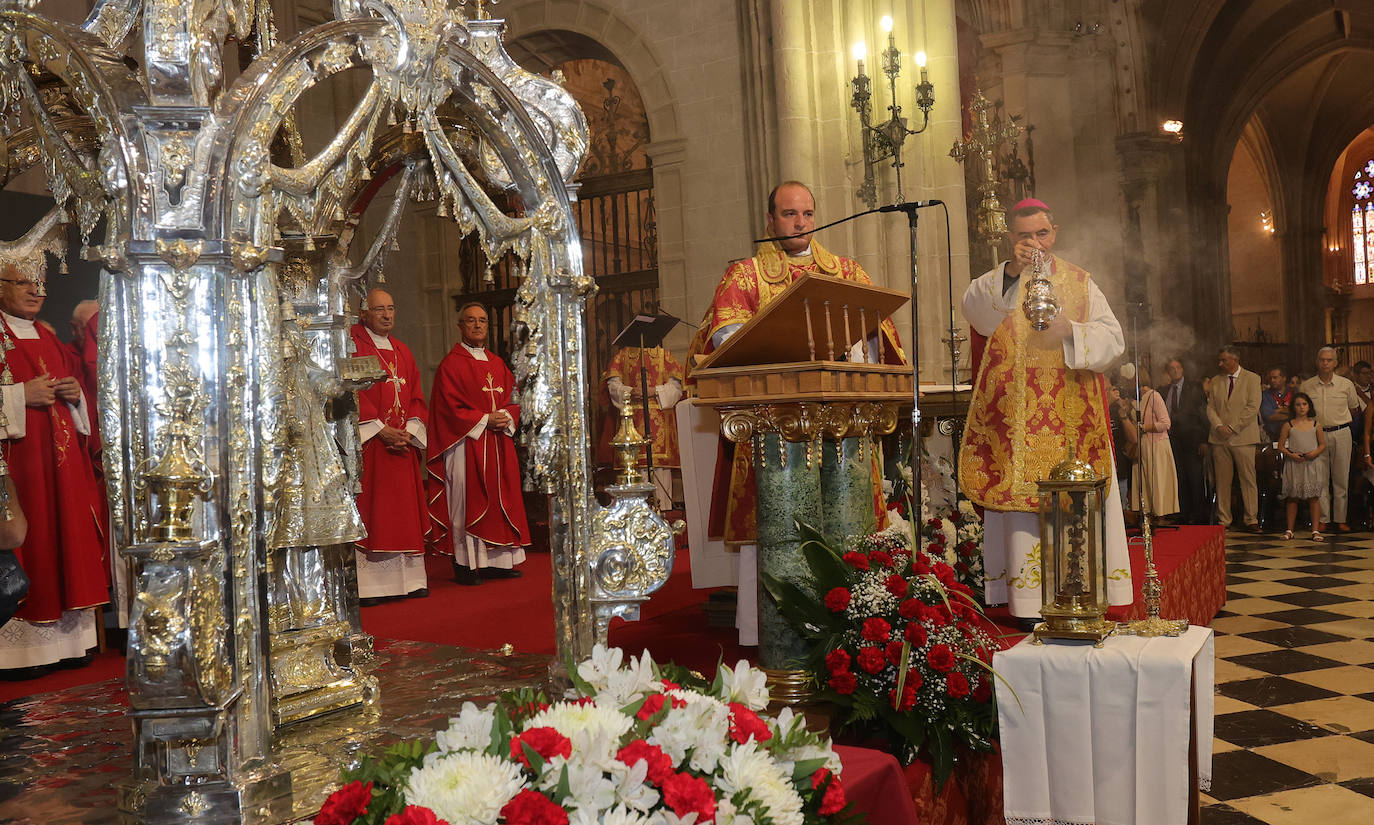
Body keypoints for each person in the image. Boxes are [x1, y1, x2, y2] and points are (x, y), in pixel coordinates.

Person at [685, 180, 904, 546]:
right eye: (790, 214)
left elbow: (877, 339)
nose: (801, 223)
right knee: (780, 534)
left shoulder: (847, 273)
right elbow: (727, 340)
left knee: (849, 525)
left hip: (842, 418)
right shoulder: (746, 275)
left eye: (807, 214)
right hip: (773, 421)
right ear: (771, 220)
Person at [958, 198, 1132, 624]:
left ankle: (1082, 596)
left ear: (1053, 233)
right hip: (1018, 426)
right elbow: (976, 313)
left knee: (1075, 504)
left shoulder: (1080, 282)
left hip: (1072, 421)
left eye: (1040, 234)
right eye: (1022, 236)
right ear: (1011, 239)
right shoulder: (1000, 282)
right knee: (1022, 508)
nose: (1032, 243)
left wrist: (1070, 330)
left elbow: (1114, 340)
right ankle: (1027, 604)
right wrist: (1013, 275)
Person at [0, 268, 109, 672]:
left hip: (60, 471)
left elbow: (78, 393)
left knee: (61, 539)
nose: (36, 291)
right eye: (24, 283)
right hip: (19, 471)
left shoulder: (46, 336)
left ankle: (67, 644)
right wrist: (18, 395)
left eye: (40, 284)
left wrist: (74, 394)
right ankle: (20, 652)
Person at [426, 302, 530, 586]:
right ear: (460, 326)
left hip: (498, 443)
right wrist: (485, 419)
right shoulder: (451, 364)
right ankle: (465, 564)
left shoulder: (498, 364)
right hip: (466, 444)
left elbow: (515, 399)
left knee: (501, 499)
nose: (478, 325)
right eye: (470, 321)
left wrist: (506, 415)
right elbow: (447, 408)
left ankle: (497, 562)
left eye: (482, 320)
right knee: (466, 501)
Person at [350, 288, 429, 601]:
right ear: (364, 313)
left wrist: (408, 431)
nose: (386, 315)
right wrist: (380, 430)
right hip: (374, 446)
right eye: (379, 309)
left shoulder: (402, 350)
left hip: (401, 446)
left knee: (404, 514)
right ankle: (374, 588)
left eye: (391, 308)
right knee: (377, 513)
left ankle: (410, 582)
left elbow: (417, 397)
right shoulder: (355, 346)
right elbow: (352, 392)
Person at [604, 338, 685, 510]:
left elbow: (677, 388)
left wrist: (654, 391)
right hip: (631, 422)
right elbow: (613, 386)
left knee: (659, 472)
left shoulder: (665, 355)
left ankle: (663, 513)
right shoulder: (623, 356)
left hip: (659, 426)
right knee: (633, 469)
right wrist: (630, 391)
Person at [1300, 347, 1361, 533]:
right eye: (1322, 360)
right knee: (1320, 479)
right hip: (1316, 434)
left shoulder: (1346, 384)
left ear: (1335, 363)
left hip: (1342, 432)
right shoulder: (1307, 386)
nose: (1325, 363)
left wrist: (1339, 421)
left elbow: (1354, 409)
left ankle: (1341, 519)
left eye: (1329, 360)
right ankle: (1323, 519)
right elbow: (1302, 412)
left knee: (1341, 478)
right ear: (1317, 362)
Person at [1207, 346, 1263, 531]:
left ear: (1235, 360)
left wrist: (1232, 427)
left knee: (1248, 479)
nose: (1220, 363)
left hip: (1243, 437)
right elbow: (1211, 407)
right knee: (1222, 481)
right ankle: (1224, 519)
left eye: (1224, 360)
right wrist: (1218, 426)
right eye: (1220, 360)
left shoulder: (1252, 379)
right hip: (1219, 438)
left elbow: (1252, 407)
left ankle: (1251, 518)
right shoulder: (1216, 380)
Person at [1159, 356, 1210, 523]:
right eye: (1171, 368)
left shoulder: (1194, 387)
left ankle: (1199, 514)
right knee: (1178, 477)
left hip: (1192, 438)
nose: (1175, 371)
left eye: (1177, 368)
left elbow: (1203, 414)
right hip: (1172, 440)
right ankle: (1182, 513)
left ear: (1182, 370)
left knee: (1194, 477)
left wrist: (1204, 440)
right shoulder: (1164, 390)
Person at [1130, 369, 1179, 518]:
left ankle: (1159, 515)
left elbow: (1165, 423)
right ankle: (1147, 514)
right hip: (1143, 446)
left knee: (1157, 481)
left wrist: (1144, 427)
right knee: (1145, 483)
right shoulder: (1139, 399)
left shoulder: (1154, 396)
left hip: (1156, 446)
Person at [1279, 392, 1327, 542]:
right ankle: (1290, 529)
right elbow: (1280, 446)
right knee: (1293, 497)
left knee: (1314, 497)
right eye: (1298, 404)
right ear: (1294, 407)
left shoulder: (1315, 424)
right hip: (1295, 464)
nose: (1301, 407)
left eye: (1304, 404)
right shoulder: (1288, 425)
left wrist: (1315, 453)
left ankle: (1315, 530)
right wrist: (1291, 454)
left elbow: (1322, 444)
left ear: (1309, 406)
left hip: (1311, 464)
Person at [1259, 366, 1292, 442]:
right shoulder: (1265, 395)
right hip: (1272, 436)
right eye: (1270, 378)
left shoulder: (1294, 392)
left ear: (1284, 378)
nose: (1272, 380)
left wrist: (1277, 410)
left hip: (1294, 436)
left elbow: (1301, 413)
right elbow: (1269, 416)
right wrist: (1290, 413)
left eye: (1275, 378)